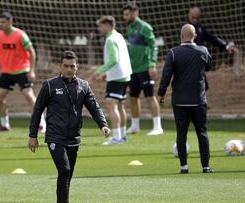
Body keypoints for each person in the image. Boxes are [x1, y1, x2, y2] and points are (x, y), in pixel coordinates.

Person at [28, 51, 110, 203]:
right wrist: (33, 135)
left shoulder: (83, 86)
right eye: (65, 66)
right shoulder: (50, 85)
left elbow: (94, 107)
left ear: (77, 67)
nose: (68, 69)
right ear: (61, 66)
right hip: (55, 137)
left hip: (74, 138)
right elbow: (37, 109)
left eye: (72, 66)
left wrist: (103, 124)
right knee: (64, 170)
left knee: (67, 175)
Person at [158, 24, 214, 174]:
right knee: (202, 133)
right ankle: (206, 167)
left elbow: (166, 76)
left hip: (179, 101)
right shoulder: (203, 51)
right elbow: (209, 67)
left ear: (181, 36)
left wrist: (161, 94)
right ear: (195, 36)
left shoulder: (173, 53)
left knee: (181, 133)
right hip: (199, 100)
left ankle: (184, 166)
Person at [0, 11, 46, 132]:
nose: (1, 24)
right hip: (6, 72)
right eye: (0, 22)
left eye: (3, 22)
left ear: (10, 22)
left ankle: (42, 123)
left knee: (28, 95)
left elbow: (32, 51)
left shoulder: (20, 35)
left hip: (22, 70)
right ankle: (5, 124)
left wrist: (32, 70)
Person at [123, 3, 163, 136]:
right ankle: (135, 126)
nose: (124, 17)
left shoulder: (145, 27)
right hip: (132, 70)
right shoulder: (129, 27)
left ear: (135, 13)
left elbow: (153, 46)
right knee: (133, 97)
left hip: (145, 68)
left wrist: (152, 64)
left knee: (150, 96)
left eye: (127, 14)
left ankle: (158, 127)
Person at [92, 16, 132, 145]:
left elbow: (114, 59)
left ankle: (117, 138)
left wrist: (99, 71)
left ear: (107, 25)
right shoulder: (119, 36)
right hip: (125, 75)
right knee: (120, 106)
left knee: (111, 105)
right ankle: (122, 136)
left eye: (100, 26)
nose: (99, 28)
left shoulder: (110, 39)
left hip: (117, 76)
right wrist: (106, 73)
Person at [187, 6, 239, 91]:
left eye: (197, 18)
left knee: (203, 87)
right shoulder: (186, 29)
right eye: (193, 18)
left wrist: (226, 46)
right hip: (190, 63)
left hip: (199, 64)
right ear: (189, 15)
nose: (195, 20)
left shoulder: (199, 28)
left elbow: (212, 38)